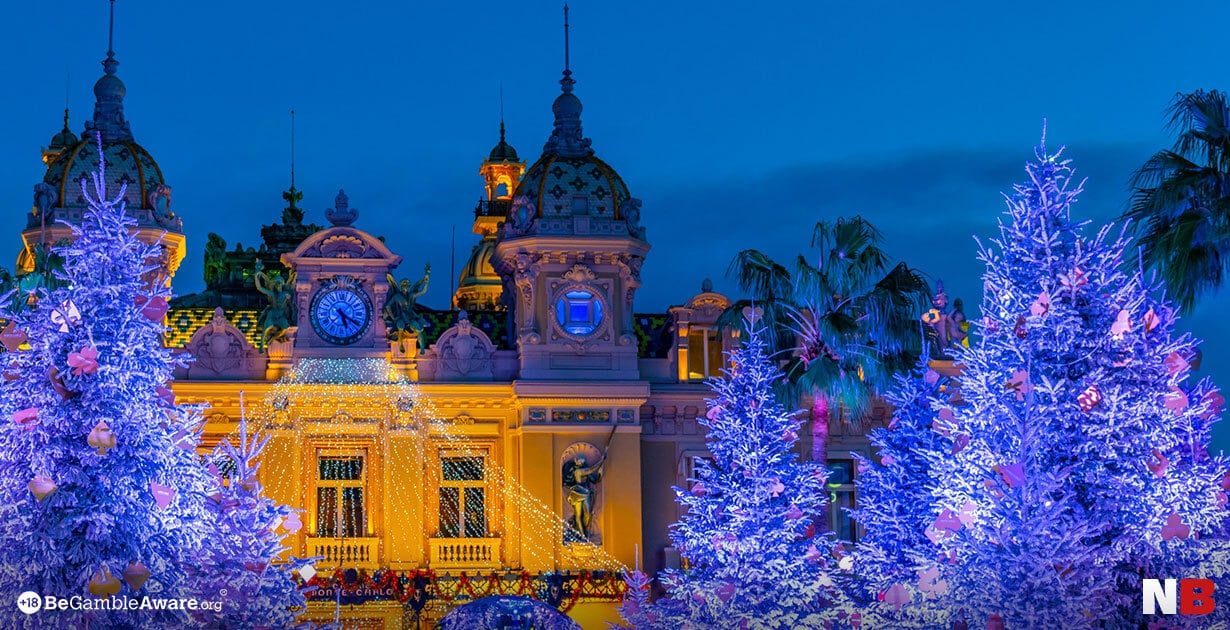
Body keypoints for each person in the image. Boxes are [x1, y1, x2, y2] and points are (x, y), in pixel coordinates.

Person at [562, 449, 607, 540]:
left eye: (582, 461)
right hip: (577, 493)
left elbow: (595, 480)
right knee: (578, 515)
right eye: (580, 461)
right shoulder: (578, 471)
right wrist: (602, 460)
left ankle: (583, 531)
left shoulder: (585, 471)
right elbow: (591, 469)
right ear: (576, 461)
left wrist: (600, 472)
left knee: (588, 514)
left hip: (586, 493)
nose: (581, 462)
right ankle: (582, 535)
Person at [254, 258, 296, 350]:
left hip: (281, 315)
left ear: (282, 284)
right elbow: (259, 288)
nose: (277, 285)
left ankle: (272, 338)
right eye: (276, 284)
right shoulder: (272, 294)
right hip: (272, 314)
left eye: (279, 283)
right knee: (266, 328)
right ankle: (261, 345)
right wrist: (257, 274)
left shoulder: (286, 294)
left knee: (285, 327)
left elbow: (292, 293)